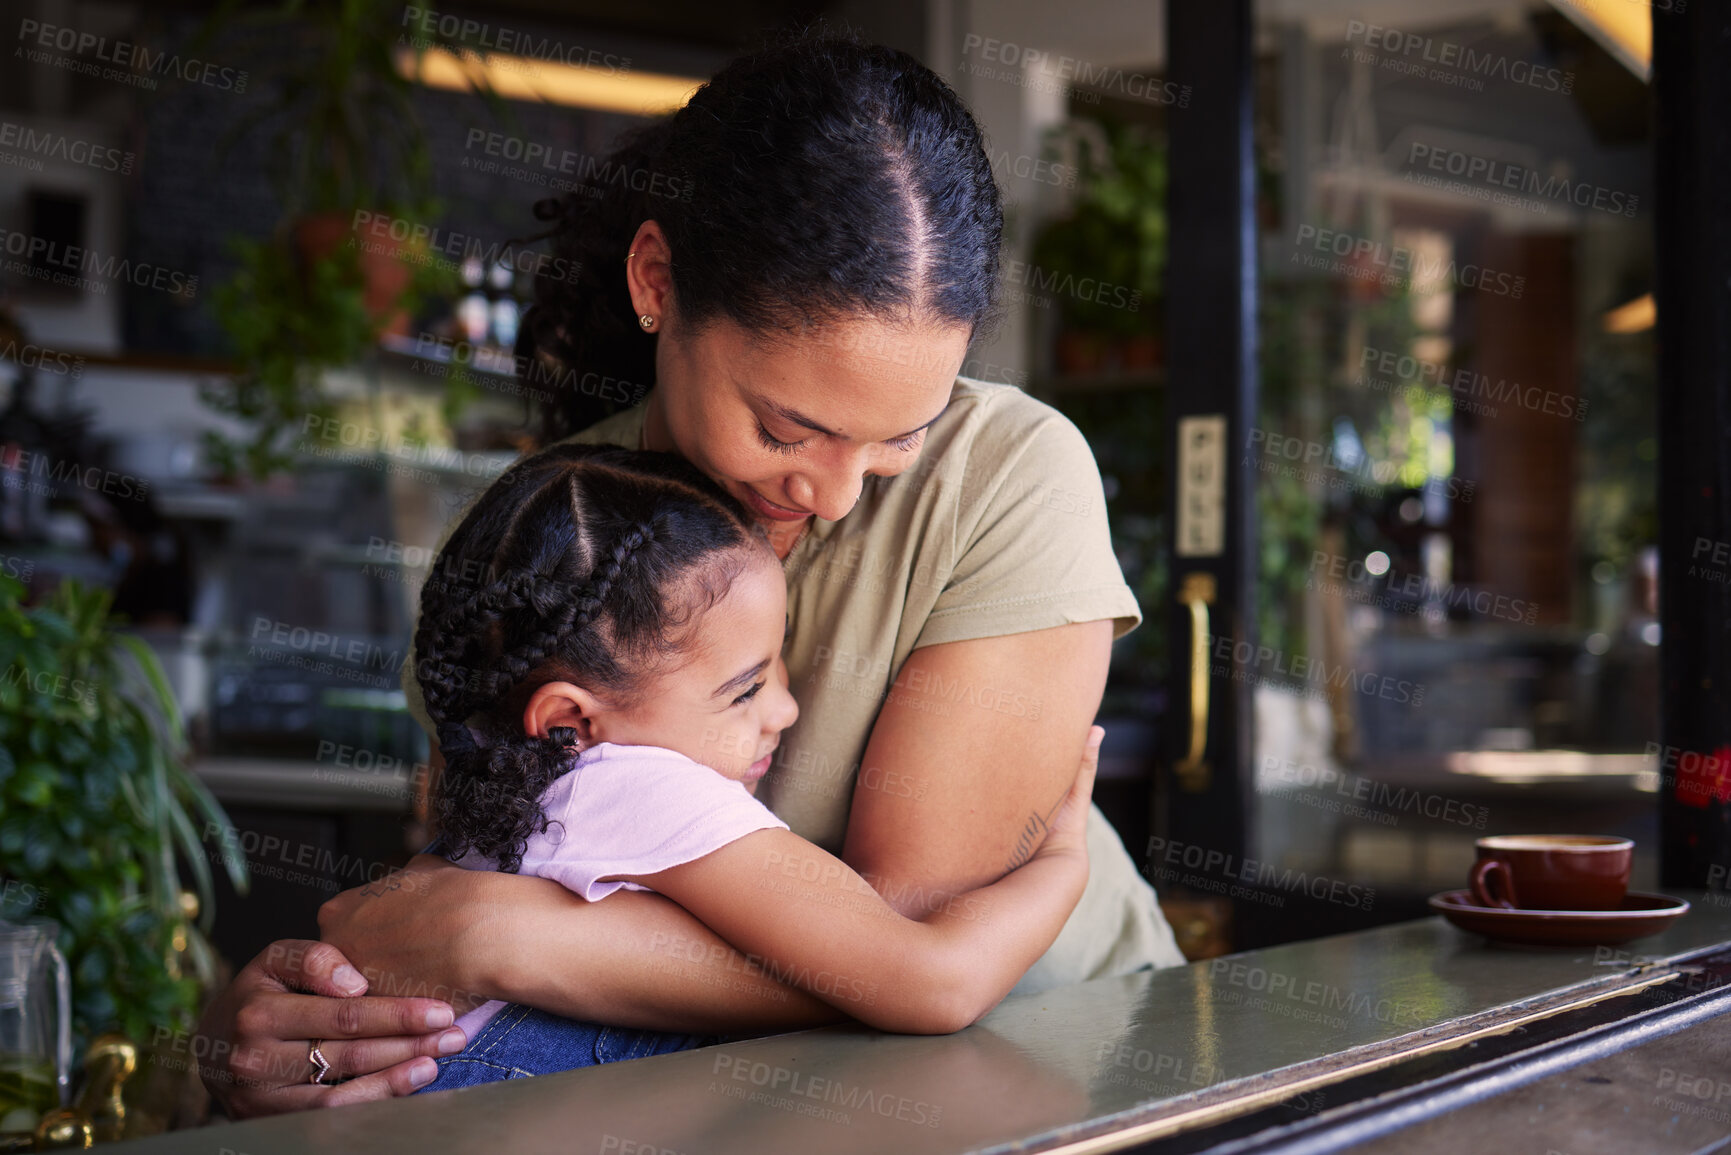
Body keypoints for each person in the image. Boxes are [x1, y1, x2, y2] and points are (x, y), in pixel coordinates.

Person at [196, 35, 1183, 1115]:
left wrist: (513, 942)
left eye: (901, 435)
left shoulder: (1006, 476)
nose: (841, 494)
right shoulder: (550, 532)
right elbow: (460, 890)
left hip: (1066, 1089)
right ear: (657, 282)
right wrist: (332, 1028)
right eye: (785, 428)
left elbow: (905, 949)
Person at [404, 442, 1096, 1090]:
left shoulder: (513, 798)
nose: (786, 709)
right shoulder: (646, 792)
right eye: (743, 689)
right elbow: (935, 984)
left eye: (778, 659)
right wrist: (1062, 864)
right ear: (570, 723)